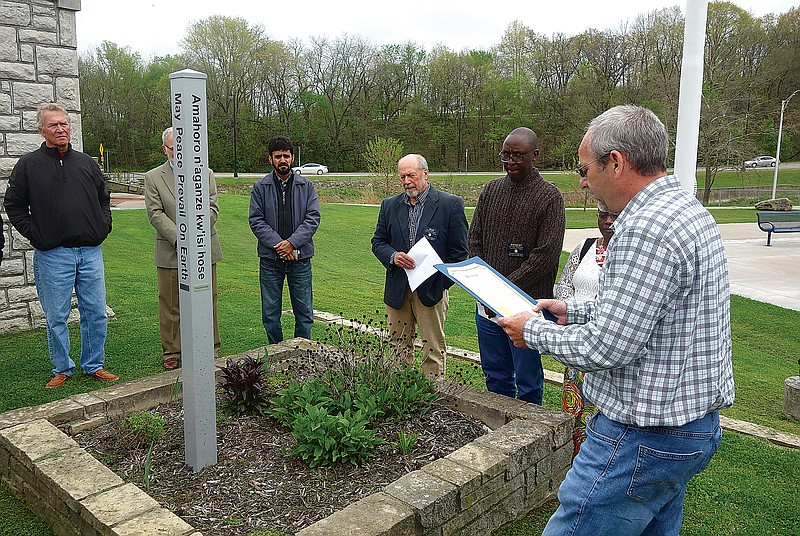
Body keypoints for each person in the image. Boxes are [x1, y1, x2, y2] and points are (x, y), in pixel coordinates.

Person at [498, 105, 735, 535]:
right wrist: (570, 310)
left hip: (642, 435)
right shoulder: (685, 210)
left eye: (586, 169)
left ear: (617, 161)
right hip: (686, 430)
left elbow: (609, 346)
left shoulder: (644, 226)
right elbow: (650, 313)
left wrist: (531, 332)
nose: (584, 182)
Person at [4, 103, 118, 388]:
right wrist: (37, 234)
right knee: (57, 316)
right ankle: (62, 368)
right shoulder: (29, 165)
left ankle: (94, 365)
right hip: (52, 255)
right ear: (42, 130)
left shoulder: (86, 163)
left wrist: (103, 225)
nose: (61, 129)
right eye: (54, 125)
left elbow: (104, 198)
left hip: (90, 252)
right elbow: (14, 205)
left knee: (95, 312)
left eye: (64, 124)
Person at [468, 127, 565, 404]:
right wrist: (486, 290)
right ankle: (499, 431)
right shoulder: (491, 191)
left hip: (527, 306)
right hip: (486, 306)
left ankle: (528, 433)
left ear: (534, 155)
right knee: (495, 375)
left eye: (518, 156)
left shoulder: (549, 198)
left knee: (527, 380)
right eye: (506, 155)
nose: (511, 161)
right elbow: (475, 240)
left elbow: (545, 256)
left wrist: (500, 291)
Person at [371, 154, 468, 377]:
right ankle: (400, 397)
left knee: (432, 350)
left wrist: (440, 283)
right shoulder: (389, 206)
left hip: (431, 291)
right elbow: (378, 242)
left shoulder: (450, 205)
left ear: (425, 173)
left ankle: (432, 400)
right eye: (402, 177)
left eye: (411, 175)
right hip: (398, 289)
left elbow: (459, 253)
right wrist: (393, 256)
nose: (406, 181)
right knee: (397, 348)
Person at [144, 127, 223, 370]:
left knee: (206, 299)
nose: (179, 154)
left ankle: (210, 347)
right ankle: (172, 351)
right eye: (173, 149)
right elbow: (155, 213)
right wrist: (181, 238)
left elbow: (212, 208)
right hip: (171, 250)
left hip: (203, 248)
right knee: (170, 304)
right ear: (164, 150)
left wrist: (196, 237)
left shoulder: (205, 173)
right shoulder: (153, 177)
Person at [554, 200, 616, 455]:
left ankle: (595, 460)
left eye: (614, 215)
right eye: (604, 215)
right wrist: (569, 311)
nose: (609, 221)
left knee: (598, 411)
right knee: (574, 406)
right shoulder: (585, 247)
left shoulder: (627, 254)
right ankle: (571, 460)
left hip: (602, 344)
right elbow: (564, 286)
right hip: (575, 341)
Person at [249, 135, 320, 344]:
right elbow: (256, 220)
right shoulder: (260, 187)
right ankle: (276, 352)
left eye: (286, 156)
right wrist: (280, 245)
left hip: (300, 259)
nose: (283, 160)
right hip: (271, 261)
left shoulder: (306, 187)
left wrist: (292, 244)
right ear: (270, 159)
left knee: (305, 313)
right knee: (270, 314)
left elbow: (312, 218)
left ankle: (302, 353)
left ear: (292, 158)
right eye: (278, 156)